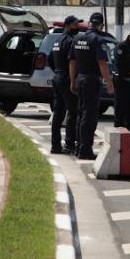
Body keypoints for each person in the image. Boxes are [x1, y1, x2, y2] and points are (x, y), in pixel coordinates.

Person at [69, 11, 114, 160]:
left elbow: (72, 62)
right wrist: (109, 83)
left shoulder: (77, 38)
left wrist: (72, 80)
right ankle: (85, 149)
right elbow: (102, 63)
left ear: (90, 23)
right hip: (91, 80)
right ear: (101, 25)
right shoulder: (97, 40)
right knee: (89, 116)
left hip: (80, 78)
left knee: (80, 114)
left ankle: (78, 146)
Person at [49, 15, 81, 155]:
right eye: (75, 24)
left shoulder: (56, 40)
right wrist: (72, 80)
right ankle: (69, 144)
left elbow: (50, 60)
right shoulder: (71, 41)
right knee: (72, 112)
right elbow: (73, 62)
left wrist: (57, 72)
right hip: (67, 79)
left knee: (58, 113)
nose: (78, 27)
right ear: (67, 25)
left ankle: (55, 146)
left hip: (57, 77)